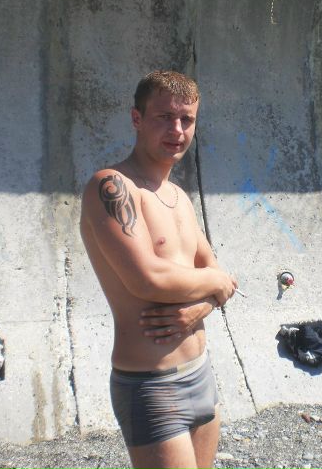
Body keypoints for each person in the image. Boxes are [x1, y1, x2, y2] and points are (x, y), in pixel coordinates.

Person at [80, 70, 238, 469]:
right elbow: (148, 278)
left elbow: (214, 276)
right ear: (137, 118)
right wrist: (217, 283)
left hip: (201, 374)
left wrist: (199, 307)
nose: (177, 130)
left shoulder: (179, 196)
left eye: (187, 119)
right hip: (152, 385)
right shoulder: (112, 186)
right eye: (164, 117)